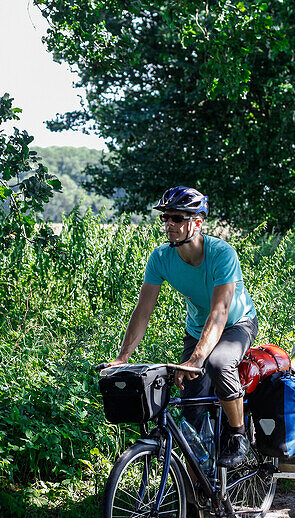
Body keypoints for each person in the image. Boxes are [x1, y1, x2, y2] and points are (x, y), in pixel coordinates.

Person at [107, 186, 259, 468]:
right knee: (191, 410)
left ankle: (238, 435)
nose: (169, 225)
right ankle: (198, 489)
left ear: (197, 223)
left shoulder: (221, 254)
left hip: (236, 324)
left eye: (177, 218)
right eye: (165, 218)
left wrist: (197, 359)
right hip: (197, 329)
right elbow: (143, 311)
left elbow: (220, 311)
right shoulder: (161, 258)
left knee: (218, 363)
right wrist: (123, 357)